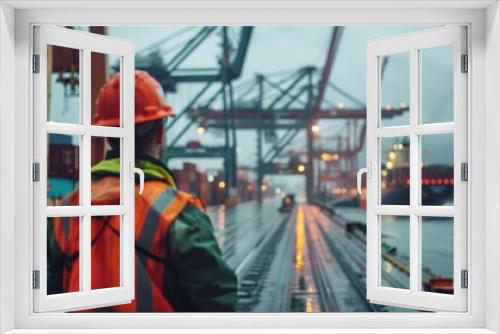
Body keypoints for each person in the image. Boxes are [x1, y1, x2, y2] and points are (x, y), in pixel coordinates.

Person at [47, 70, 237, 312]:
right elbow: (218, 307)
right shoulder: (179, 213)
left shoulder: (66, 211)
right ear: (159, 132)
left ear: (108, 136)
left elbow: (48, 300)